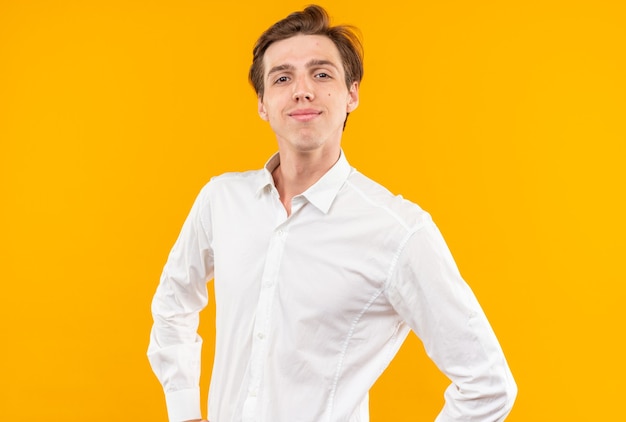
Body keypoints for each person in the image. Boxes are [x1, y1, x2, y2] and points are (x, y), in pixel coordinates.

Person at [147, 5, 517, 422]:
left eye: (321, 74)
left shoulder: (397, 232)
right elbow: (173, 301)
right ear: (263, 104)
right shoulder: (221, 200)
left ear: (352, 94)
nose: (302, 90)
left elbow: (488, 385)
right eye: (282, 78)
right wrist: (183, 411)